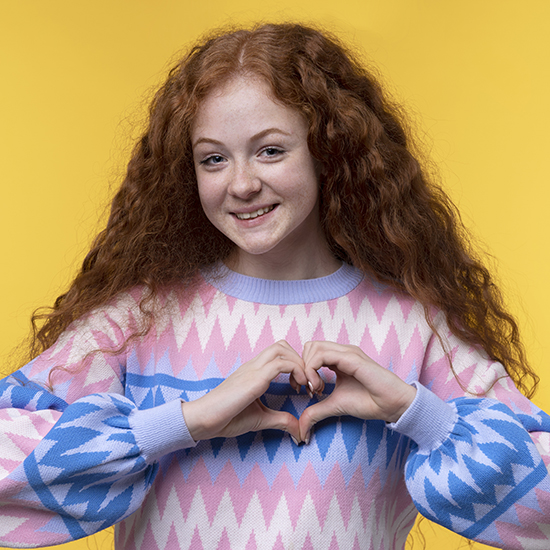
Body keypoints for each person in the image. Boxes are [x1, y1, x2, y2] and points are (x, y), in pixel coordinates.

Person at [1, 23, 549, 550]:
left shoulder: (413, 325)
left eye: (270, 150)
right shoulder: (137, 321)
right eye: (213, 159)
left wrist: (418, 412)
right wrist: (184, 422)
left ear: (328, 151)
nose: (241, 184)